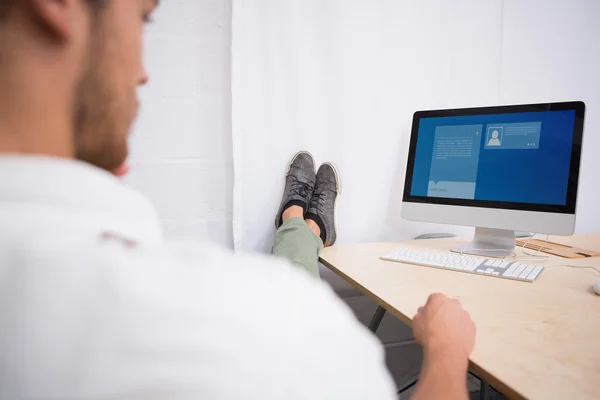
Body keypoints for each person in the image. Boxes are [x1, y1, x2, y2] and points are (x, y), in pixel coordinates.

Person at [0, 1, 476, 399]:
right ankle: (307, 227)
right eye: (142, 18)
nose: (144, 74)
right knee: (298, 281)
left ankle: (299, 222)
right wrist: (447, 353)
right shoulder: (269, 328)